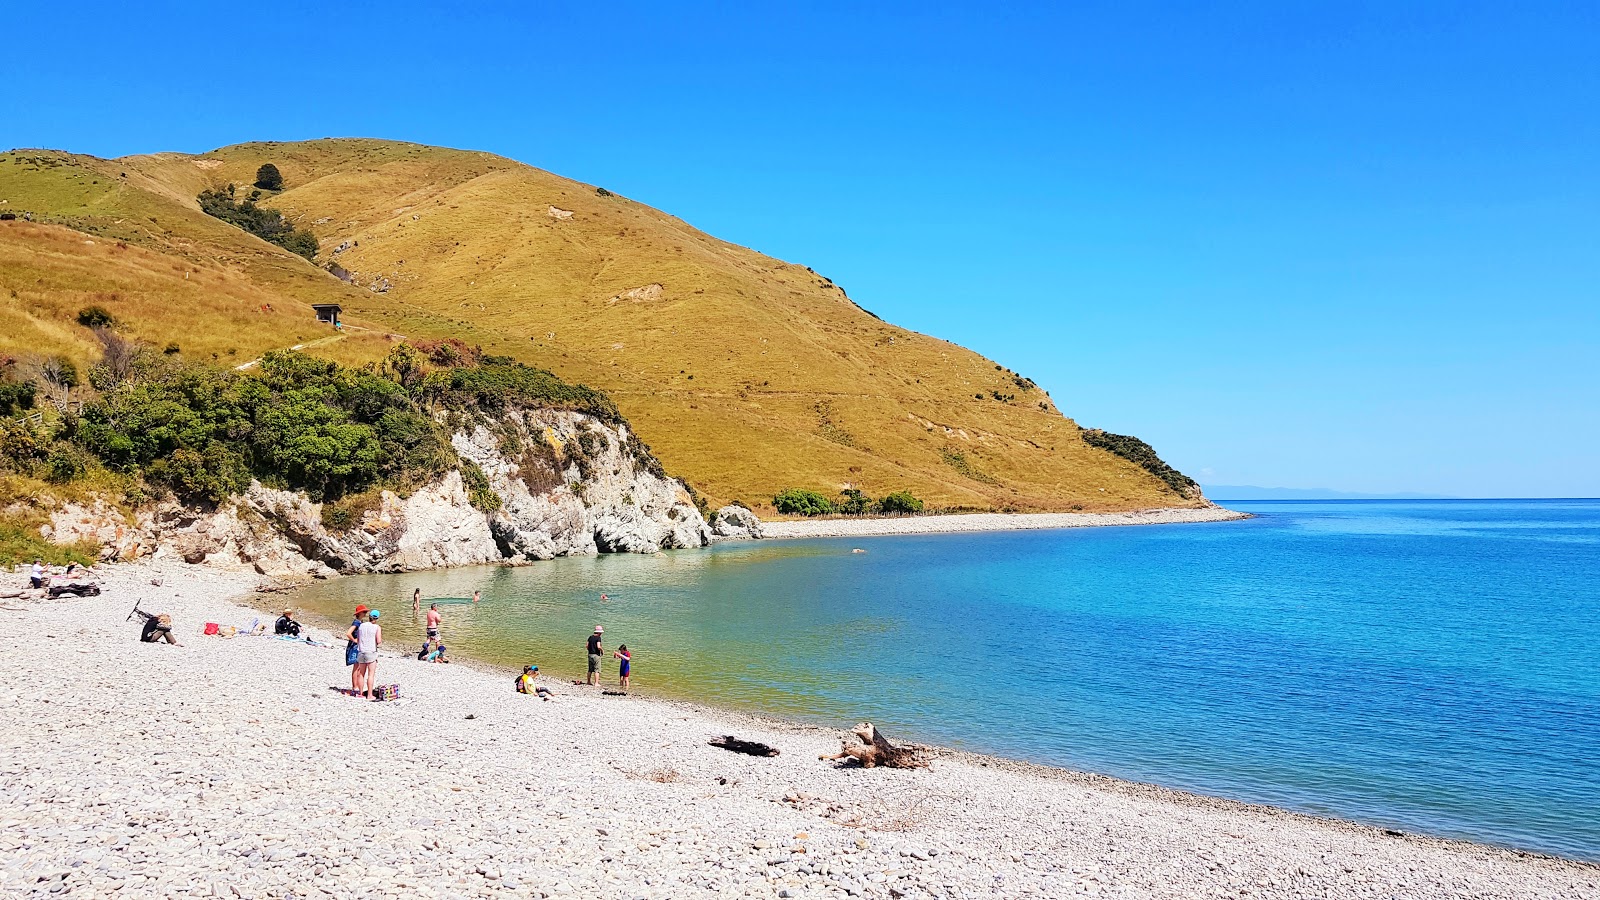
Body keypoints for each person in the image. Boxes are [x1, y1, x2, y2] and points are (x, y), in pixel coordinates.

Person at [346, 609, 383, 699]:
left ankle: (360, 693)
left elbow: (358, 638)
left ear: (369, 616)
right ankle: (369, 695)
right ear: (377, 618)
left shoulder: (361, 625)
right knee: (371, 674)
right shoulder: (377, 627)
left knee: (361, 673)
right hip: (371, 652)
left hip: (361, 652)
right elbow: (378, 641)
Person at [345, 605, 370, 693]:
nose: (365, 613)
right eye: (364, 612)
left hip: (358, 646)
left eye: (366, 612)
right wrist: (354, 640)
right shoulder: (356, 622)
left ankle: (356, 686)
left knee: (358, 667)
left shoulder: (360, 621)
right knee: (356, 667)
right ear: (359, 613)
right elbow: (348, 633)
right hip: (354, 647)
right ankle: (355, 687)